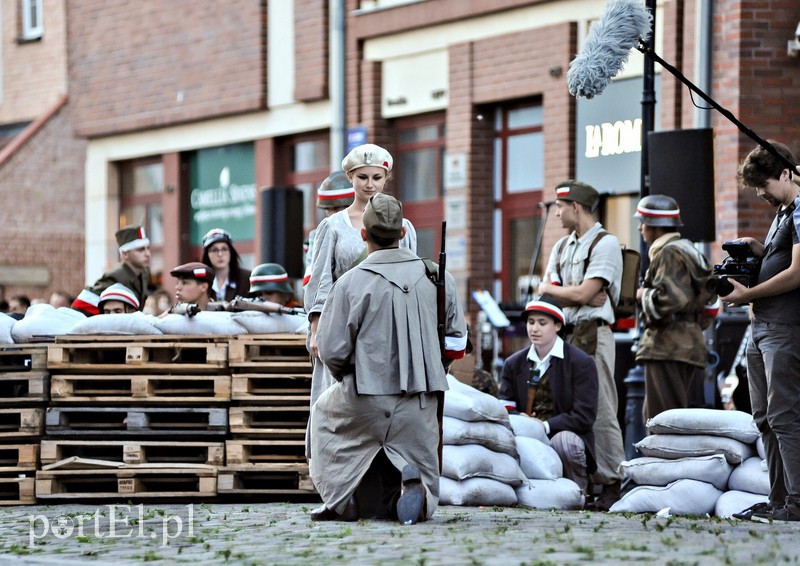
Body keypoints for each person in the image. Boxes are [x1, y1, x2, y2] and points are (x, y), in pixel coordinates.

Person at [309, 193, 467, 524]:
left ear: (364, 235)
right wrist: (435, 369)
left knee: (323, 416)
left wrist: (349, 379)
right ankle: (416, 493)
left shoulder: (349, 282)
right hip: (420, 403)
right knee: (421, 463)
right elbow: (456, 343)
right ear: (402, 233)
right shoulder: (438, 277)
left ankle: (341, 496)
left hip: (362, 398)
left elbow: (331, 351)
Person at [304, 143, 417, 407]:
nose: (370, 185)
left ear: (386, 179)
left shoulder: (404, 226)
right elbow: (321, 282)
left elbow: (412, 277)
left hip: (390, 323)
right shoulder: (332, 226)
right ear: (350, 178)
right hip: (342, 323)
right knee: (337, 402)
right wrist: (316, 328)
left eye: (377, 177)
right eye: (362, 177)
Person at [537, 179, 626, 511]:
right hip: (567, 333)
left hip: (594, 333)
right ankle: (582, 479)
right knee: (566, 405)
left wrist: (565, 290)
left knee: (600, 406)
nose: (557, 213)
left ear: (576, 206)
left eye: (561, 206)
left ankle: (612, 480)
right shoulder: (562, 246)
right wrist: (570, 292)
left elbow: (584, 295)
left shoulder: (606, 243)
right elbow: (549, 292)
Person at [723, 141, 800, 523]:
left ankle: (797, 502)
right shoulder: (783, 211)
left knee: (785, 415)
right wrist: (758, 249)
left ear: (786, 173)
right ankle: (779, 499)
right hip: (761, 327)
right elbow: (781, 260)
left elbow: (798, 272)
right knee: (764, 417)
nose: (760, 193)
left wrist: (747, 294)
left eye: (764, 184)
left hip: (785, 328)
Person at [499, 299, 598, 494]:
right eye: (531, 322)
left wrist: (544, 426)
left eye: (542, 323)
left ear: (558, 326)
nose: (534, 329)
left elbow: (584, 415)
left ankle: (579, 492)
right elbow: (505, 406)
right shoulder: (514, 363)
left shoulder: (581, 362)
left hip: (562, 435)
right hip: (526, 434)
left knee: (565, 442)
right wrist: (522, 420)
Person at [633, 195, 716, 422]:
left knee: (661, 421)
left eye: (642, 221)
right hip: (688, 343)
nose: (640, 227)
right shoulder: (689, 250)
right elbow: (711, 299)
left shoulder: (668, 253)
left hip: (666, 346)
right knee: (666, 417)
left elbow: (671, 299)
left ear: (654, 225)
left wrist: (641, 294)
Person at [72, 226, 151, 316]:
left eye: (148, 248)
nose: (148, 254)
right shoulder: (116, 276)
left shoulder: (144, 273)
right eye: (140, 250)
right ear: (125, 254)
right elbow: (81, 306)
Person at [302, 171, 355, 286]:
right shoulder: (317, 238)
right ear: (326, 210)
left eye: (346, 207)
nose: (340, 214)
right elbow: (312, 285)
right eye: (334, 209)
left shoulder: (371, 232)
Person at [200, 228, 251, 302]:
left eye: (224, 249)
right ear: (206, 255)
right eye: (214, 250)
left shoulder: (247, 279)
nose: (220, 254)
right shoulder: (201, 281)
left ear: (231, 252)